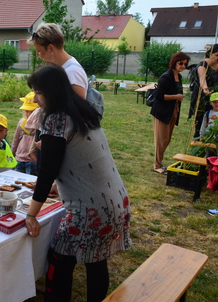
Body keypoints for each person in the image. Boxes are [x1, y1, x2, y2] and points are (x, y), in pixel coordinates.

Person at [25, 65, 131, 302]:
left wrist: (31, 215)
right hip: (116, 199)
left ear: (52, 92)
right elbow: (79, 157)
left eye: (39, 92)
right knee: (96, 259)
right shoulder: (82, 110)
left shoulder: (55, 120)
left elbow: (46, 172)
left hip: (91, 210)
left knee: (60, 259)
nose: (34, 98)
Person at [150, 52, 189, 174]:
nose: (183, 66)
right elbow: (159, 96)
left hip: (173, 111)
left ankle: (159, 162)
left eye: (185, 64)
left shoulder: (179, 77)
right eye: (180, 63)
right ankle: (157, 165)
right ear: (174, 62)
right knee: (161, 139)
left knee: (167, 139)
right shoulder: (166, 77)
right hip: (162, 112)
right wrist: (176, 97)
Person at [29, 23, 87, 98]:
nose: (37, 54)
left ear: (51, 48)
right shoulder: (62, 68)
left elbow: (79, 107)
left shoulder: (72, 72)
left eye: (39, 50)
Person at [189, 44, 218, 138]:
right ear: (210, 54)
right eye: (217, 55)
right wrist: (205, 87)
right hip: (202, 101)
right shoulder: (202, 65)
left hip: (215, 101)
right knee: (201, 124)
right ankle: (198, 144)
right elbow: (202, 78)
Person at [12, 92, 39, 176]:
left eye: (32, 112)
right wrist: (12, 153)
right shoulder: (21, 122)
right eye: (27, 111)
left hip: (32, 161)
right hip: (19, 158)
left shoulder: (40, 125)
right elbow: (16, 139)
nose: (29, 114)